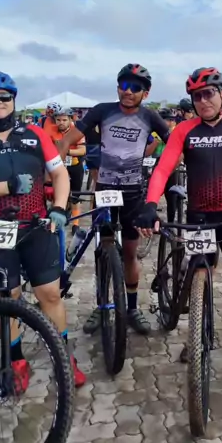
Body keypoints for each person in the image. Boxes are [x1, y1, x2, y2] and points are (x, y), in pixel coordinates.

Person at [137, 66, 222, 375]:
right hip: (199, 217)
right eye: (197, 97)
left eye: (208, 94)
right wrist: (150, 203)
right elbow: (163, 168)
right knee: (199, 274)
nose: (203, 101)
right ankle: (197, 336)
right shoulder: (185, 130)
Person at [0, 71, 85, 388]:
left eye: (4, 97)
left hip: (37, 223)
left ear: (13, 100)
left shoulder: (34, 133)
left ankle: (63, 357)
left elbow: (60, 174)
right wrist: (6, 187)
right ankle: (15, 360)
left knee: (50, 294)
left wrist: (59, 208)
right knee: (7, 296)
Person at [58, 64, 170, 336]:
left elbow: (174, 145)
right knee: (102, 252)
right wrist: (55, 173)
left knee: (130, 252)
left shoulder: (150, 116)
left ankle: (131, 307)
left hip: (133, 193)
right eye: (123, 85)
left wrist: (168, 170)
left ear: (145, 93)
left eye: (135, 87)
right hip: (105, 190)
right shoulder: (102, 111)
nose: (128, 91)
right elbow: (67, 140)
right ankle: (101, 305)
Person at [49, 108, 86, 232]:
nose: (61, 122)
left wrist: (65, 150)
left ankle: (75, 224)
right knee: (56, 195)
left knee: (75, 196)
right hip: (57, 166)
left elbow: (82, 150)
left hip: (74, 165)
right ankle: (57, 219)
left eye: (64, 120)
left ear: (70, 120)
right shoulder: (50, 131)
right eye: (58, 120)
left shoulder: (77, 131)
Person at [145, 108, 180, 222]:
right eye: (168, 120)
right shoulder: (152, 134)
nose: (171, 122)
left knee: (172, 197)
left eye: (173, 120)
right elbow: (147, 153)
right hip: (155, 164)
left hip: (171, 167)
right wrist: (155, 142)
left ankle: (171, 223)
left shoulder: (177, 132)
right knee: (150, 195)